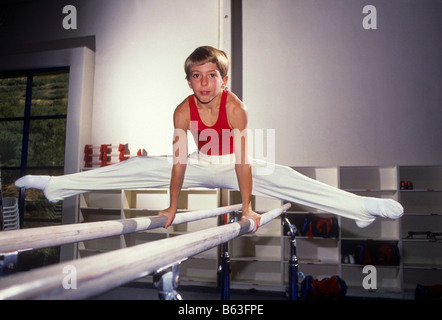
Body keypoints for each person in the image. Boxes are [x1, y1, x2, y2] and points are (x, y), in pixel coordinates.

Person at [15, 46, 403, 231]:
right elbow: (181, 163)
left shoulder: (236, 108)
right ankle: (57, 186)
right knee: (140, 165)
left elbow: (242, 162)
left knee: (287, 177)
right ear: (188, 81)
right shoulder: (183, 110)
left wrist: (247, 207)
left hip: (234, 166)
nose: (204, 83)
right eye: (196, 76)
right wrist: (170, 207)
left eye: (211, 75)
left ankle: (361, 209)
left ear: (224, 79)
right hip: (200, 165)